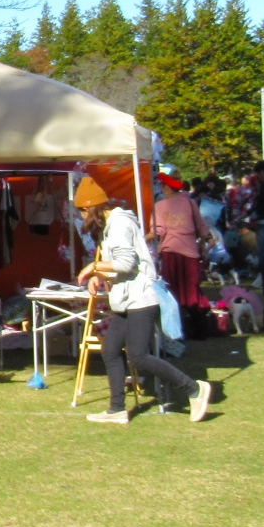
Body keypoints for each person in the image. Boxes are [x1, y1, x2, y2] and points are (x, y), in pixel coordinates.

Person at [74, 177, 211, 425]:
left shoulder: (119, 224)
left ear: (88, 208)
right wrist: (100, 275)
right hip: (125, 299)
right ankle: (117, 409)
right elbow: (120, 266)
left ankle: (194, 390)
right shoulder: (110, 225)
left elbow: (127, 263)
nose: (82, 220)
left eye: (81, 213)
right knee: (110, 350)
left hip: (141, 298)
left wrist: (92, 267)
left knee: (138, 356)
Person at [151, 175, 209, 339]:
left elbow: (158, 230)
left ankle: (175, 332)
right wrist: (202, 247)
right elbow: (202, 227)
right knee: (192, 291)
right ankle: (199, 330)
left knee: (172, 292)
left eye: (163, 187)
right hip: (190, 252)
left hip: (170, 252)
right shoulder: (191, 203)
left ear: (167, 188)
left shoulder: (160, 206)